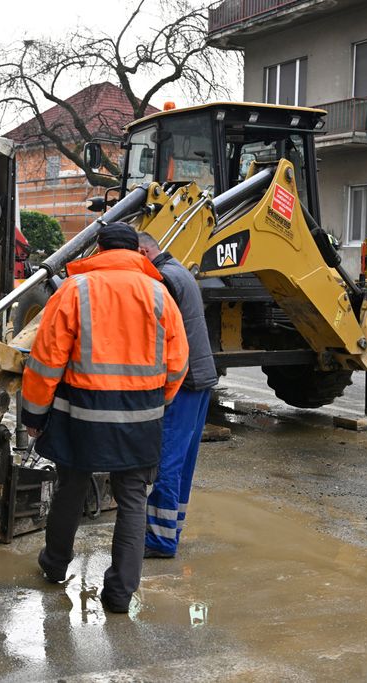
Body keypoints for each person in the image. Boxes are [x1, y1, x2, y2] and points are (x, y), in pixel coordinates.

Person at [20, 221, 188, 614]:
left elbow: (45, 361)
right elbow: (178, 364)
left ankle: (55, 564)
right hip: (140, 419)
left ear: (98, 249)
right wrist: (154, 403)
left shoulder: (74, 291)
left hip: (82, 417)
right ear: (136, 252)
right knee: (132, 499)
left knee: (71, 489)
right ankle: (120, 593)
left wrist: (35, 415)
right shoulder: (160, 294)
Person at [137, 232, 218, 559]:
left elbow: (157, 336)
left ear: (143, 251)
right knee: (182, 461)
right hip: (200, 378)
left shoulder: (164, 280)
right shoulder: (180, 271)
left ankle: (159, 541)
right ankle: (172, 529)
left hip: (183, 381)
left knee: (166, 461)